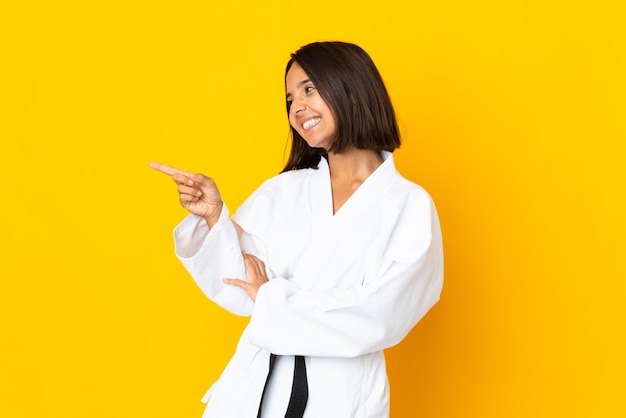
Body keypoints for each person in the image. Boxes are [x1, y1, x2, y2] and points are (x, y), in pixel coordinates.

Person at [151, 41, 443, 418]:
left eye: (309, 89)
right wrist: (213, 217)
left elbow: (381, 315)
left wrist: (273, 299)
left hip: (342, 398)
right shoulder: (282, 191)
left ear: (352, 92)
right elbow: (241, 288)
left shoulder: (409, 206)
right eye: (290, 98)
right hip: (256, 392)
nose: (297, 107)